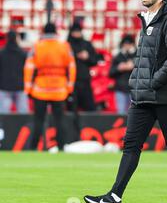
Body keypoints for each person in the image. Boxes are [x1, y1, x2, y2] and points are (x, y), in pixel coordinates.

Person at [84, 0, 167, 203]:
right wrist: (137, 82)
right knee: (131, 145)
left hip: (164, 93)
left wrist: (154, 82)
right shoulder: (146, 19)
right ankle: (114, 197)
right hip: (143, 94)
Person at [24, 23, 76, 152]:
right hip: (59, 89)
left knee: (38, 120)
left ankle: (33, 147)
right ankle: (61, 147)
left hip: (40, 89)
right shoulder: (64, 46)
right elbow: (72, 67)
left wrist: (28, 88)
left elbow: (29, 68)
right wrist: (69, 87)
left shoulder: (36, 46)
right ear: (56, 31)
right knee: (59, 120)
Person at [67, 22, 99, 112]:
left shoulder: (86, 44)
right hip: (71, 81)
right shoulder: (67, 45)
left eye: (78, 31)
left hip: (85, 80)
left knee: (89, 107)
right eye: (74, 31)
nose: (77, 33)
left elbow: (95, 61)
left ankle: (90, 126)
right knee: (71, 108)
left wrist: (87, 57)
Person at [0, 30, 29, 114]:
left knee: (3, 115)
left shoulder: (1, 53)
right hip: (20, 86)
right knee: (23, 115)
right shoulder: (23, 54)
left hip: (4, 87)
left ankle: (3, 128)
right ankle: (23, 127)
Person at [109, 35, 136, 114]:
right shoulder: (118, 56)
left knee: (134, 113)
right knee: (121, 113)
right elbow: (110, 73)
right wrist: (119, 68)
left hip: (134, 88)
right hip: (120, 88)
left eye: (129, 44)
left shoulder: (138, 55)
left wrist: (134, 66)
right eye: (125, 44)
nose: (127, 46)